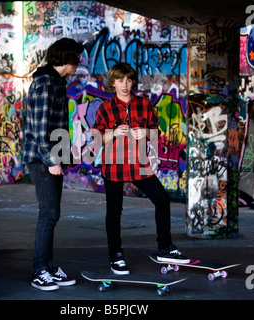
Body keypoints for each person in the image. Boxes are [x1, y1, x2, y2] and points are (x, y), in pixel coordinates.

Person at [91, 62, 190, 275]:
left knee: (162, 199)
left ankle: (165, 247)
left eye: (128, 80)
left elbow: (156, 133)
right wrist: (114, 133)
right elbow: (96, 139)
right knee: (114, 212)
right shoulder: (105, 108)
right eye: (119, 81)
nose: (124, 85)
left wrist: (145, 132)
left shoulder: (144, 104)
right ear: (113, 83)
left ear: (133, 81)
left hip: (139, 164)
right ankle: (115, 255)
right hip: (114, 166)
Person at [22, 37, 84, 291]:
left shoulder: (57, 81)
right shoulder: (46, 82)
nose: (78, 64)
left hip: (51, 157)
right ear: (68, 59)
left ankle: (47, 266)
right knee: (49, 214)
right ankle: (40, 271)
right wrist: (51, 160)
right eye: (76, 59)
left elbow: (58, 125)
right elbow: (39, 128)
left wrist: (62, 157)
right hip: (42, 159)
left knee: (52, 213)